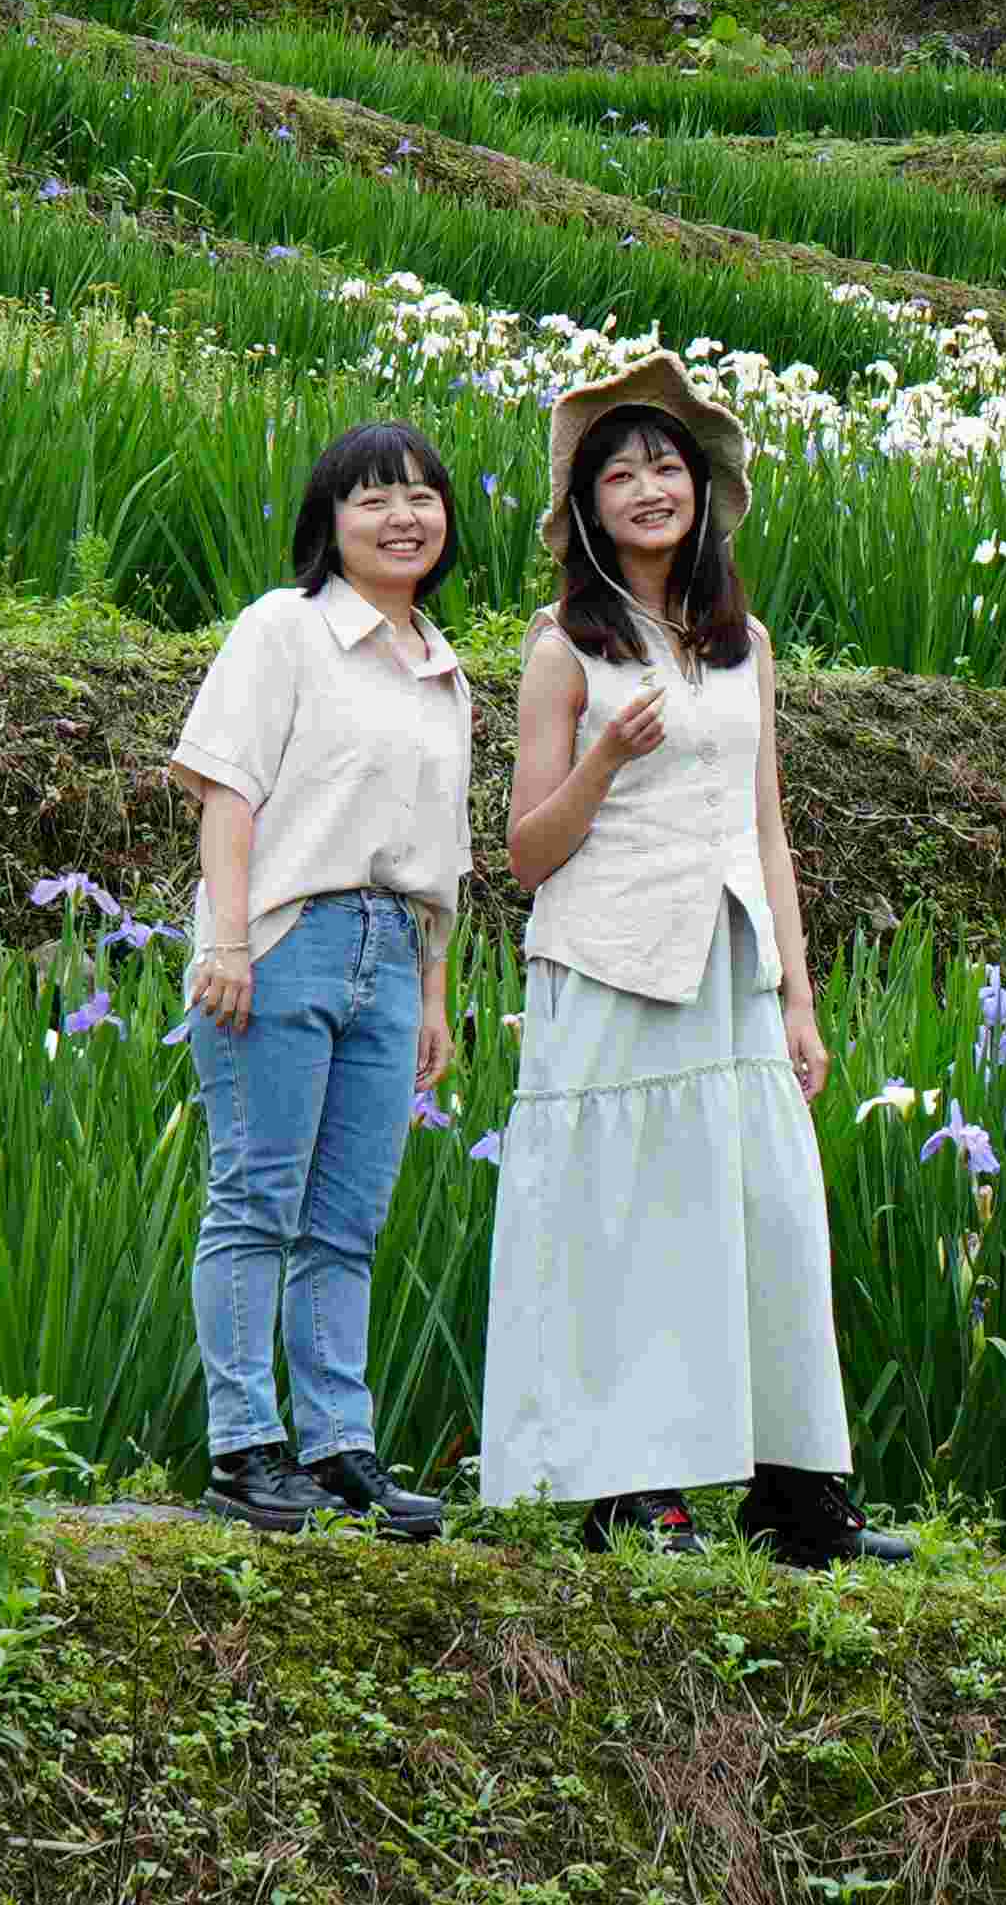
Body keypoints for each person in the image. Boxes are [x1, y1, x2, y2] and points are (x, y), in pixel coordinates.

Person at [479, 354, 894, 1563]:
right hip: (610, 961)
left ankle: (798, 1496)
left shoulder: (742, 642)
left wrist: (799, 996)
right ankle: (632, 1492)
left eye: (668, 466)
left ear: (703, 492)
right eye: (622, 474)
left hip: (728, 962)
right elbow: (523, 855)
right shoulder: (566, 649)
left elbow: (765, 827)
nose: (650, 487)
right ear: (590, 511)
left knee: (765, 1211)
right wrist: (604, 762)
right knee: (629, 1218)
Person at [165, 423, 476, 1540]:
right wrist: (229, 942)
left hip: (393, 954)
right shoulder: (283, 631)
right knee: (256, 1199)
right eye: (373, 499)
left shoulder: (446, 669)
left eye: (423, 497)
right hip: (287, 937)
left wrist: (435, 992)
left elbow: (447, 855)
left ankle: (341, 1447)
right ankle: (247, 1446)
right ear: (329, 522)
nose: (403, 517)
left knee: (350, 1219)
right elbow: (228, 794)